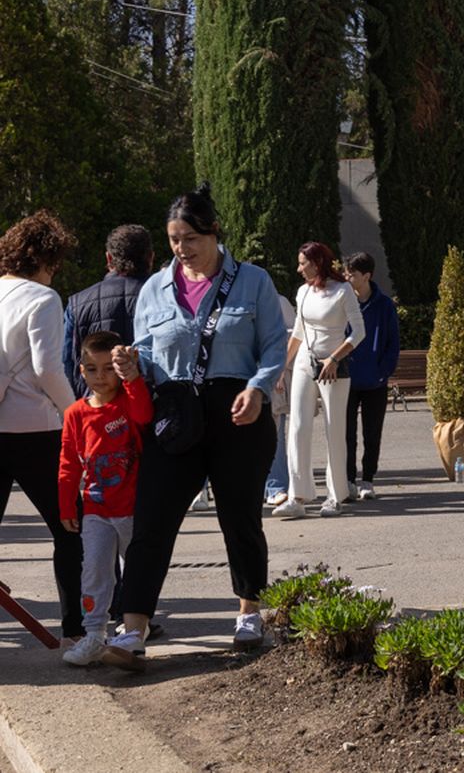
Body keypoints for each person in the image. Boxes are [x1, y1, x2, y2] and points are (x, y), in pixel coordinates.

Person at [103, 184, 288, 669]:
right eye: (173, 239)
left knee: (239, 515)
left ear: (213, 232)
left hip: (237, 410)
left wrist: (259, 387)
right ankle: (133, 629)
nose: (182, 249)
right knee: (153, 520)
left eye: (190, 238)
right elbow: (146, 351)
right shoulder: (154, 289)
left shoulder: (252, 281)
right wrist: (128, 362)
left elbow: (273, 344)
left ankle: (249, 610)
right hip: (175, 415)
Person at [0, 210, 84, 642]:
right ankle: (75, 624)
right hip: (35, 428)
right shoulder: (42, 298)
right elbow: (47, 367)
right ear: (48, 258)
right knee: (71, 526)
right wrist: (73, 411)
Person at [56, 331, 152, 665]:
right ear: (81, 371)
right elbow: (68, 464)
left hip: (132, 508)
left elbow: (144, 416)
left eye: (107, 368)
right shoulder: (74, 414)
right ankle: (94, 634)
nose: (100, 376)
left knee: (139, 570)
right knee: (94, 572)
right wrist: (67, 505)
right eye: (92, 369)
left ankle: (134, 631)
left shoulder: (128, 402)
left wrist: (132, 379)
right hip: (95, 510)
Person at [274, 242, 364, 520]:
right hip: (303, 362)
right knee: (297, 427)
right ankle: (297, 496)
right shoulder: (302, 292)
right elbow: (298, 333)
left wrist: (334, 359)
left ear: (317, 263)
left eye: (303, 263)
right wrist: (282, 368)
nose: (299, 269)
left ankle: (335, 496)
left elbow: (358, 332)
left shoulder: (343, 290)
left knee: (333, 429)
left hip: (332, 367)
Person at [62, 225, 154, 399]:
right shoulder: (164, 297)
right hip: (150, 405)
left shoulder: (78, 302)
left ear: (109, 258)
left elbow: (68, 362)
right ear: (150, 257)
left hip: (99, 410)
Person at [343, 252, 399, 499]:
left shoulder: (385, 305)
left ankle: (367, 479)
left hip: (375, 381)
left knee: (372, 433)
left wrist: (382, 372)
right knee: (346, 434)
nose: (347, 277)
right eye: (346, 273)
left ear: (366, 276)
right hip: (346, 380)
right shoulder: (342, 301)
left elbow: (393, 343)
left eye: (352, 274)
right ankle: (347, 480)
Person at [262, 288, 296, 507]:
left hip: (273, 377)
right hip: (243, 377)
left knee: (275, 434)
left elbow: (293, 335)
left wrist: (281, 372)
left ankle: (275, 486)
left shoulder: (278, 301)